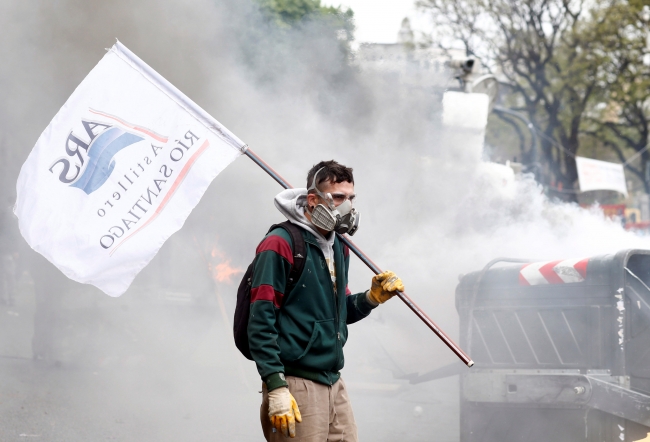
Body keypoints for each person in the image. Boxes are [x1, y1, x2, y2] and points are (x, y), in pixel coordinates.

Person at [248, 160, 404, 441]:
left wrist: (370, 299)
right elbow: (260, 320)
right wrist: (277, 386)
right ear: (313, 199)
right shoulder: (280, 244)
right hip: (295, 384)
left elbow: (337, 313)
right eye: (338, 197)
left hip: (333, 380)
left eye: (351, 198)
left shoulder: (338, 245)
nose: (347, 206)